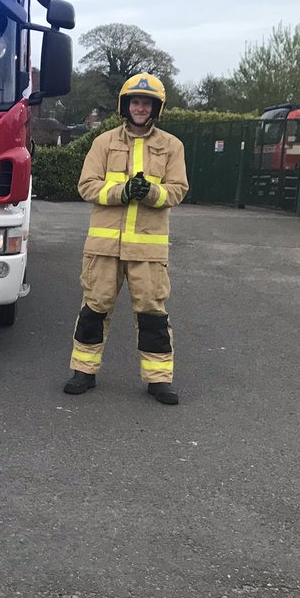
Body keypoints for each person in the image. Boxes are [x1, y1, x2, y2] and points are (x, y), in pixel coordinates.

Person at [63, 73, 189, 404]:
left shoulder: (171, 146)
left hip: (147, 250)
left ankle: (158, 380)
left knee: (151, 313)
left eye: (146, 103)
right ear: (125, 105)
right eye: (135, 101)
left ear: (156, 108)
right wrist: (122, 191)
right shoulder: (103, 143)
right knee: (94, 308)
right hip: (104, 248)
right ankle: (83, 372)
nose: (140, 107)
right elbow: (86, 185)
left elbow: (178, 191)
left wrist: (150, 192)